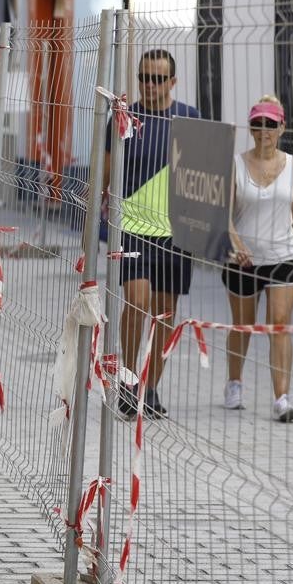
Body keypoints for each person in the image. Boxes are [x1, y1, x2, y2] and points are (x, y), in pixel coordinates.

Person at [106, 48, 201, 420]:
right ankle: (130, 383)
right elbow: (106, 171)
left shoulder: (189, 118)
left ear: (173, 82)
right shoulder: (124, 117)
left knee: (165, 314)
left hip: (176, 233)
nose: (149, 84)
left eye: (158, 78)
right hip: (132, 228)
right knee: (137, 303)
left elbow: (203, 176)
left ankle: (151, 387)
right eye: (144, 76)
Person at [223, 96, 293, 422]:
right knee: (242, 326)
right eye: (257, 124)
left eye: (270, 124)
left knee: (279, 324)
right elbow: (225, 214)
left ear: (281, 127)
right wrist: (235, 242)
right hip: (243, 259)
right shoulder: (236, 163)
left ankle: (281, 398)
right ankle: (234, 382)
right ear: (251, 127)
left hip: (283, 255)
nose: (263, 130)